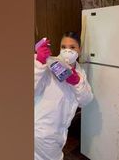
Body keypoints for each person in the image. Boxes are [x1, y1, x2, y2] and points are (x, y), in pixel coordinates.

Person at [34, 31, 94, 160]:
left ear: (79, 50)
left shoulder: (80, 72)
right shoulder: (49, 65)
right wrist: (39, 64)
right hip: (43, 131)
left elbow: (86, 100)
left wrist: (76, 81)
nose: (67, 51)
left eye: (72, 47)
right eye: (63, 47)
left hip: (58, 132)